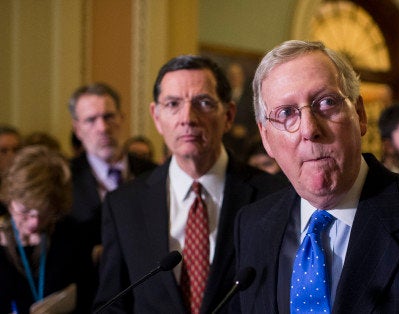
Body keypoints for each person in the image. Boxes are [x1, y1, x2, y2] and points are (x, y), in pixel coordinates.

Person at [234, 40, 399, 313]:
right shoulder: (251, 225)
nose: (309, 129)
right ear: (266, 138)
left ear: (360, 114)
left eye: (326, 102)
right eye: (286, 113)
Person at [94, 55, 287, 314]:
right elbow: (112, 304)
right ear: (156, 116)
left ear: (228, 115)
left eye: (203, 103)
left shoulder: (273, 195)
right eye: (173, 104)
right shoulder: (124, 204)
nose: (187, 117)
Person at [0, 146, 94, 313]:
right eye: (25, 211)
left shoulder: (73, 235)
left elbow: (89, 298)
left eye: (45, 213)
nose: (34, 223)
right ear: (9, 198)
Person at [68, 83, 157, 257]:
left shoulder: (153, 173)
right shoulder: (65, 178)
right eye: (91, 120)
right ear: (77, 129)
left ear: (122, 118)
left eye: (109, 117)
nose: (103, 128)